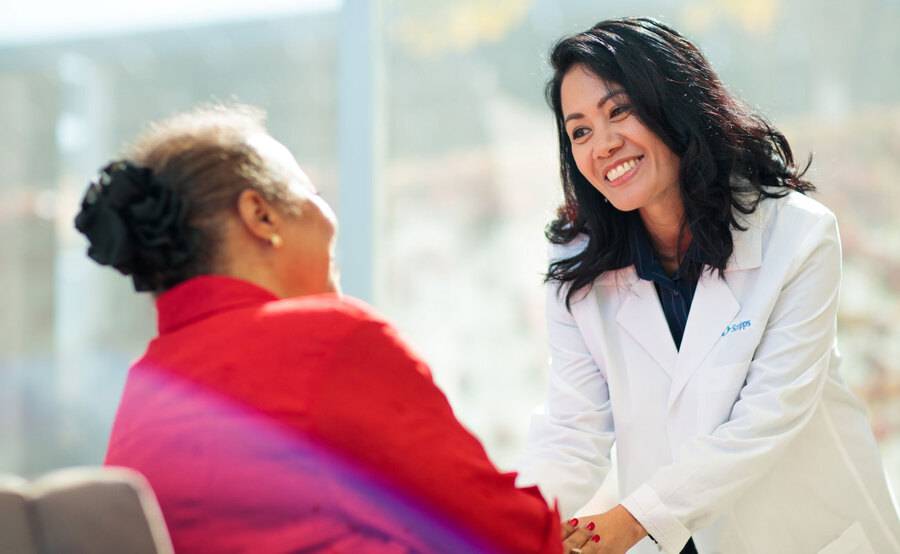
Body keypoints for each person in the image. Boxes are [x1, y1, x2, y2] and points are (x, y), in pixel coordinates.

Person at [75, 104, 585, 553]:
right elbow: (508, 540)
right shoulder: (327, 338)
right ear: (261, 215)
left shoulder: (145, 389)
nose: (329, 215)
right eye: (311, 192)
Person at [517, 17, 900, 554]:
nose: (601, 145)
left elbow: (768, 417)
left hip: (807, 534)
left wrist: (634, 518)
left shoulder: (798, 234)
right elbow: (573, 429)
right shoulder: (579, 264)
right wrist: (512, 523)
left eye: (619, 111)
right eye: (579, 131)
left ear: (672, 104)